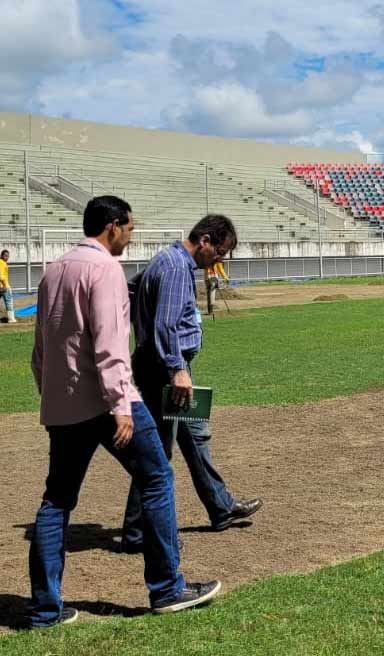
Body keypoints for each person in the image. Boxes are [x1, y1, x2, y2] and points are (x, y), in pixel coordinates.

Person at [29, 196, 220, 628]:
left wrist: (52, 397)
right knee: (156, 477)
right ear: (113, 226)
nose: (130, 239)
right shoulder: (106, 271)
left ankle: (45, 609)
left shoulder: (53, 270)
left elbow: (40, 351)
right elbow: (111, 346)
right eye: (130, 230)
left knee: (56, 501)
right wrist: (121, 405)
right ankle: (167, 587)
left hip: (63, 405)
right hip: (109, 400)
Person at [122, 214, 262, 553]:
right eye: (220, 252)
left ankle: (221, 506)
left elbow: (131, 287)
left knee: (196, 436)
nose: (220, 260)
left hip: (168, 365)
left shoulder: (168, 261)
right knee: (158, 451)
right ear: (205, 241)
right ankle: (138, 532)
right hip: (165, 370)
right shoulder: (173, 268)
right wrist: (176, 369)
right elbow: (167, 325)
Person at [0, 249, 16, 323]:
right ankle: (11, 319)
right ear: (1, 255)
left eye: (8, 256)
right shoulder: (2, 263)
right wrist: (5, 285)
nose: (7, 257)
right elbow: (1, 276)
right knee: (9, 301)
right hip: (4, 287)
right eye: (5, 256)